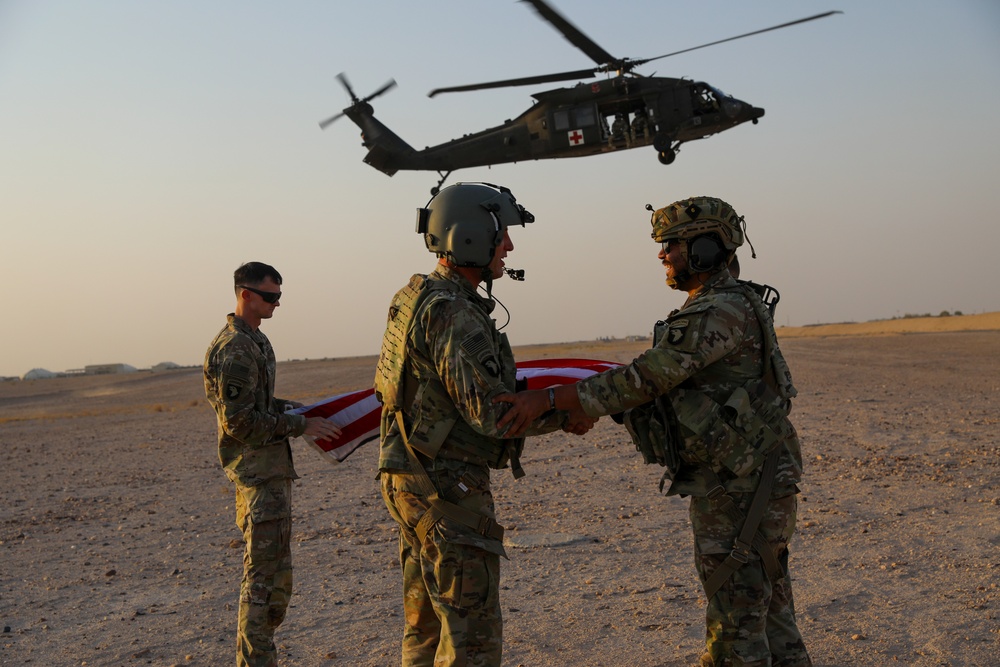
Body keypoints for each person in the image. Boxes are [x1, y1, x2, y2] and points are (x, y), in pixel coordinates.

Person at [496, 197, 811, 667]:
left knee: (736, 625)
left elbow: (646, 379)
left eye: (672, 244)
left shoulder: (716, 310)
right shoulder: (733, 301)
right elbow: (670, 391)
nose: (662, 254)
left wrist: (552, 399)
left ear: (705, 248)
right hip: (757, 477)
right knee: (771, 612)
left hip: (740, 488)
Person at [374, 182, 593, 667]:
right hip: (446, 487)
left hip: (409, 477)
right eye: (502, 235)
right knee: (470, 640)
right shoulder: (455, 314)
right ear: (471, 237)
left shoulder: (415, 296)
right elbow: (492, 415)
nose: (508, 247)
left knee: (425, 631)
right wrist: (567, 412)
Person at [204, 261, 342, 667]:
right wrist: (300, 424)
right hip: (257, 476)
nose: (276, 304)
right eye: (269, 296)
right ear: (245, 294)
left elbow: (260, 404)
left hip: (271, 473)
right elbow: (239, 422)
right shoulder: (235, 348)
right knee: (263, 584)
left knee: (277, 583)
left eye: (279, 297)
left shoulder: (257, 341)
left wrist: (299, 410)